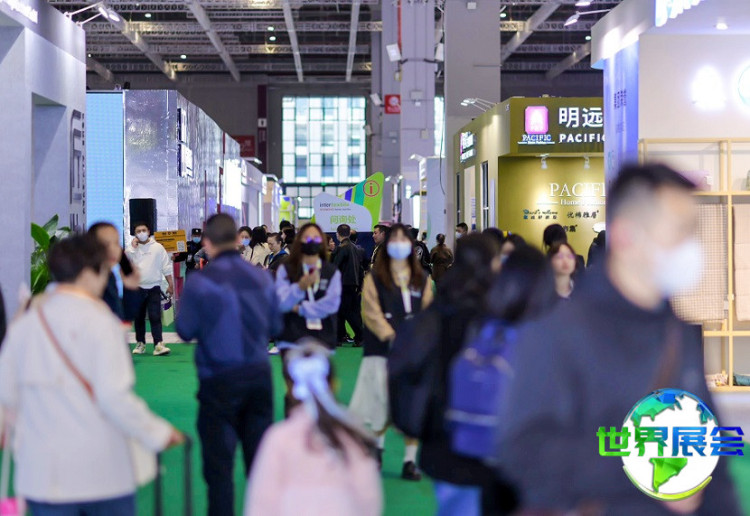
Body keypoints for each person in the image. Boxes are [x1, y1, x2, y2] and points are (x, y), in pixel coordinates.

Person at [498, 164, 743, 515]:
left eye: (693, 232)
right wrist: (645, 467)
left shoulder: (677, 331)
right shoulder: (558, 330)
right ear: (626, 235)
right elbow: (524, 450)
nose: (691, 247)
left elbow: (709, 448)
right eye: (679, 231)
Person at [0, 235, 183, 515]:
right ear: (88, 273)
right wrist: (158, 433)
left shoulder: (25, 323)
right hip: (101, 474)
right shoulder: (101, 322)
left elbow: (6, 394)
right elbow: (113, 397)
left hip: (42, 475)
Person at [389, 234, 505, 514]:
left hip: (441, 437)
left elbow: (404, 368)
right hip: (487, 439)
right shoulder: (497, 315)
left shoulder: (436, 309)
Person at [176, 214, 282, 516]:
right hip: (258, 378)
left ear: (207, 243)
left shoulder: (201, 281)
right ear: (238, 240)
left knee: (219, 471)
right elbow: (276, 325)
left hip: (218, 380)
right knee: (260, 467)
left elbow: (185, 330)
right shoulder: (262, 278)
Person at [244, 341, 382, 516]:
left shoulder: (278, 438)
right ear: (334, 385)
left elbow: (261, 502)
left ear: (289, 387)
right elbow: (368, 499)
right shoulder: (354, 436)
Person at [350, 223, 432, 481]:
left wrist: (416, 340)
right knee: (379, 402)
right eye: (394, 240)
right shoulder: (374, 278)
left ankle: (410, 461)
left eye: (403, 240)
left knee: (412, 405)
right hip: (381, 351)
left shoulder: (422, 279)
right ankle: (377, 451)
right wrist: (393, 336)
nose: (399, 245)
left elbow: (428, 313)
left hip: (412, 354)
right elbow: (371, 312)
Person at [276, 223, 342, 413]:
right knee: (294, 391)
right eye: (307, 237)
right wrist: (299, 288)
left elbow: (331, 305)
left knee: (320, 390)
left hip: (322, 337)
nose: (312, 241)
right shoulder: (286, 269)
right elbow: (281, 303)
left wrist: (300, 308)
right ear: (299, 241)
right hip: (292, 337)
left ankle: (318, 429)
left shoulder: (331, 271)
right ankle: (293, 427)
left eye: (316, 238)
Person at [125, 222, 174, 356]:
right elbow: (125, 264)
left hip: (154, 287)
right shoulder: (131, 249)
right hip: (137, 288)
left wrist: (170, 284)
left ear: (149, 231)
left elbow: (166, 267)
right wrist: (132, 248)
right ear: (135, 234)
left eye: (143, 230)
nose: (141, 233)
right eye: (138, 231)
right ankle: (140, 343)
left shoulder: (158, 247)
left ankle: (158, 344)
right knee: (139, 317)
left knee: (155, 316)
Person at [88, 222, 141, 321]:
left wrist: (130, 289)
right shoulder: (87, 278)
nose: (112, 249)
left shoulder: (109, 275)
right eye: (105, 244)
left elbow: (122, 316)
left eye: (116, 243)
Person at [331, 224, 365, 346]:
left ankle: (360, 336)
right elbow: (360, 268)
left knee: (347, 312)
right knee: (345, 311)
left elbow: (335, 267)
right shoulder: (355, 248)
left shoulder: (341, 248)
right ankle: (339, 337)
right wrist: (360, 284)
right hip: (353, 283)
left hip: (343, 284)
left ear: (337, 234)